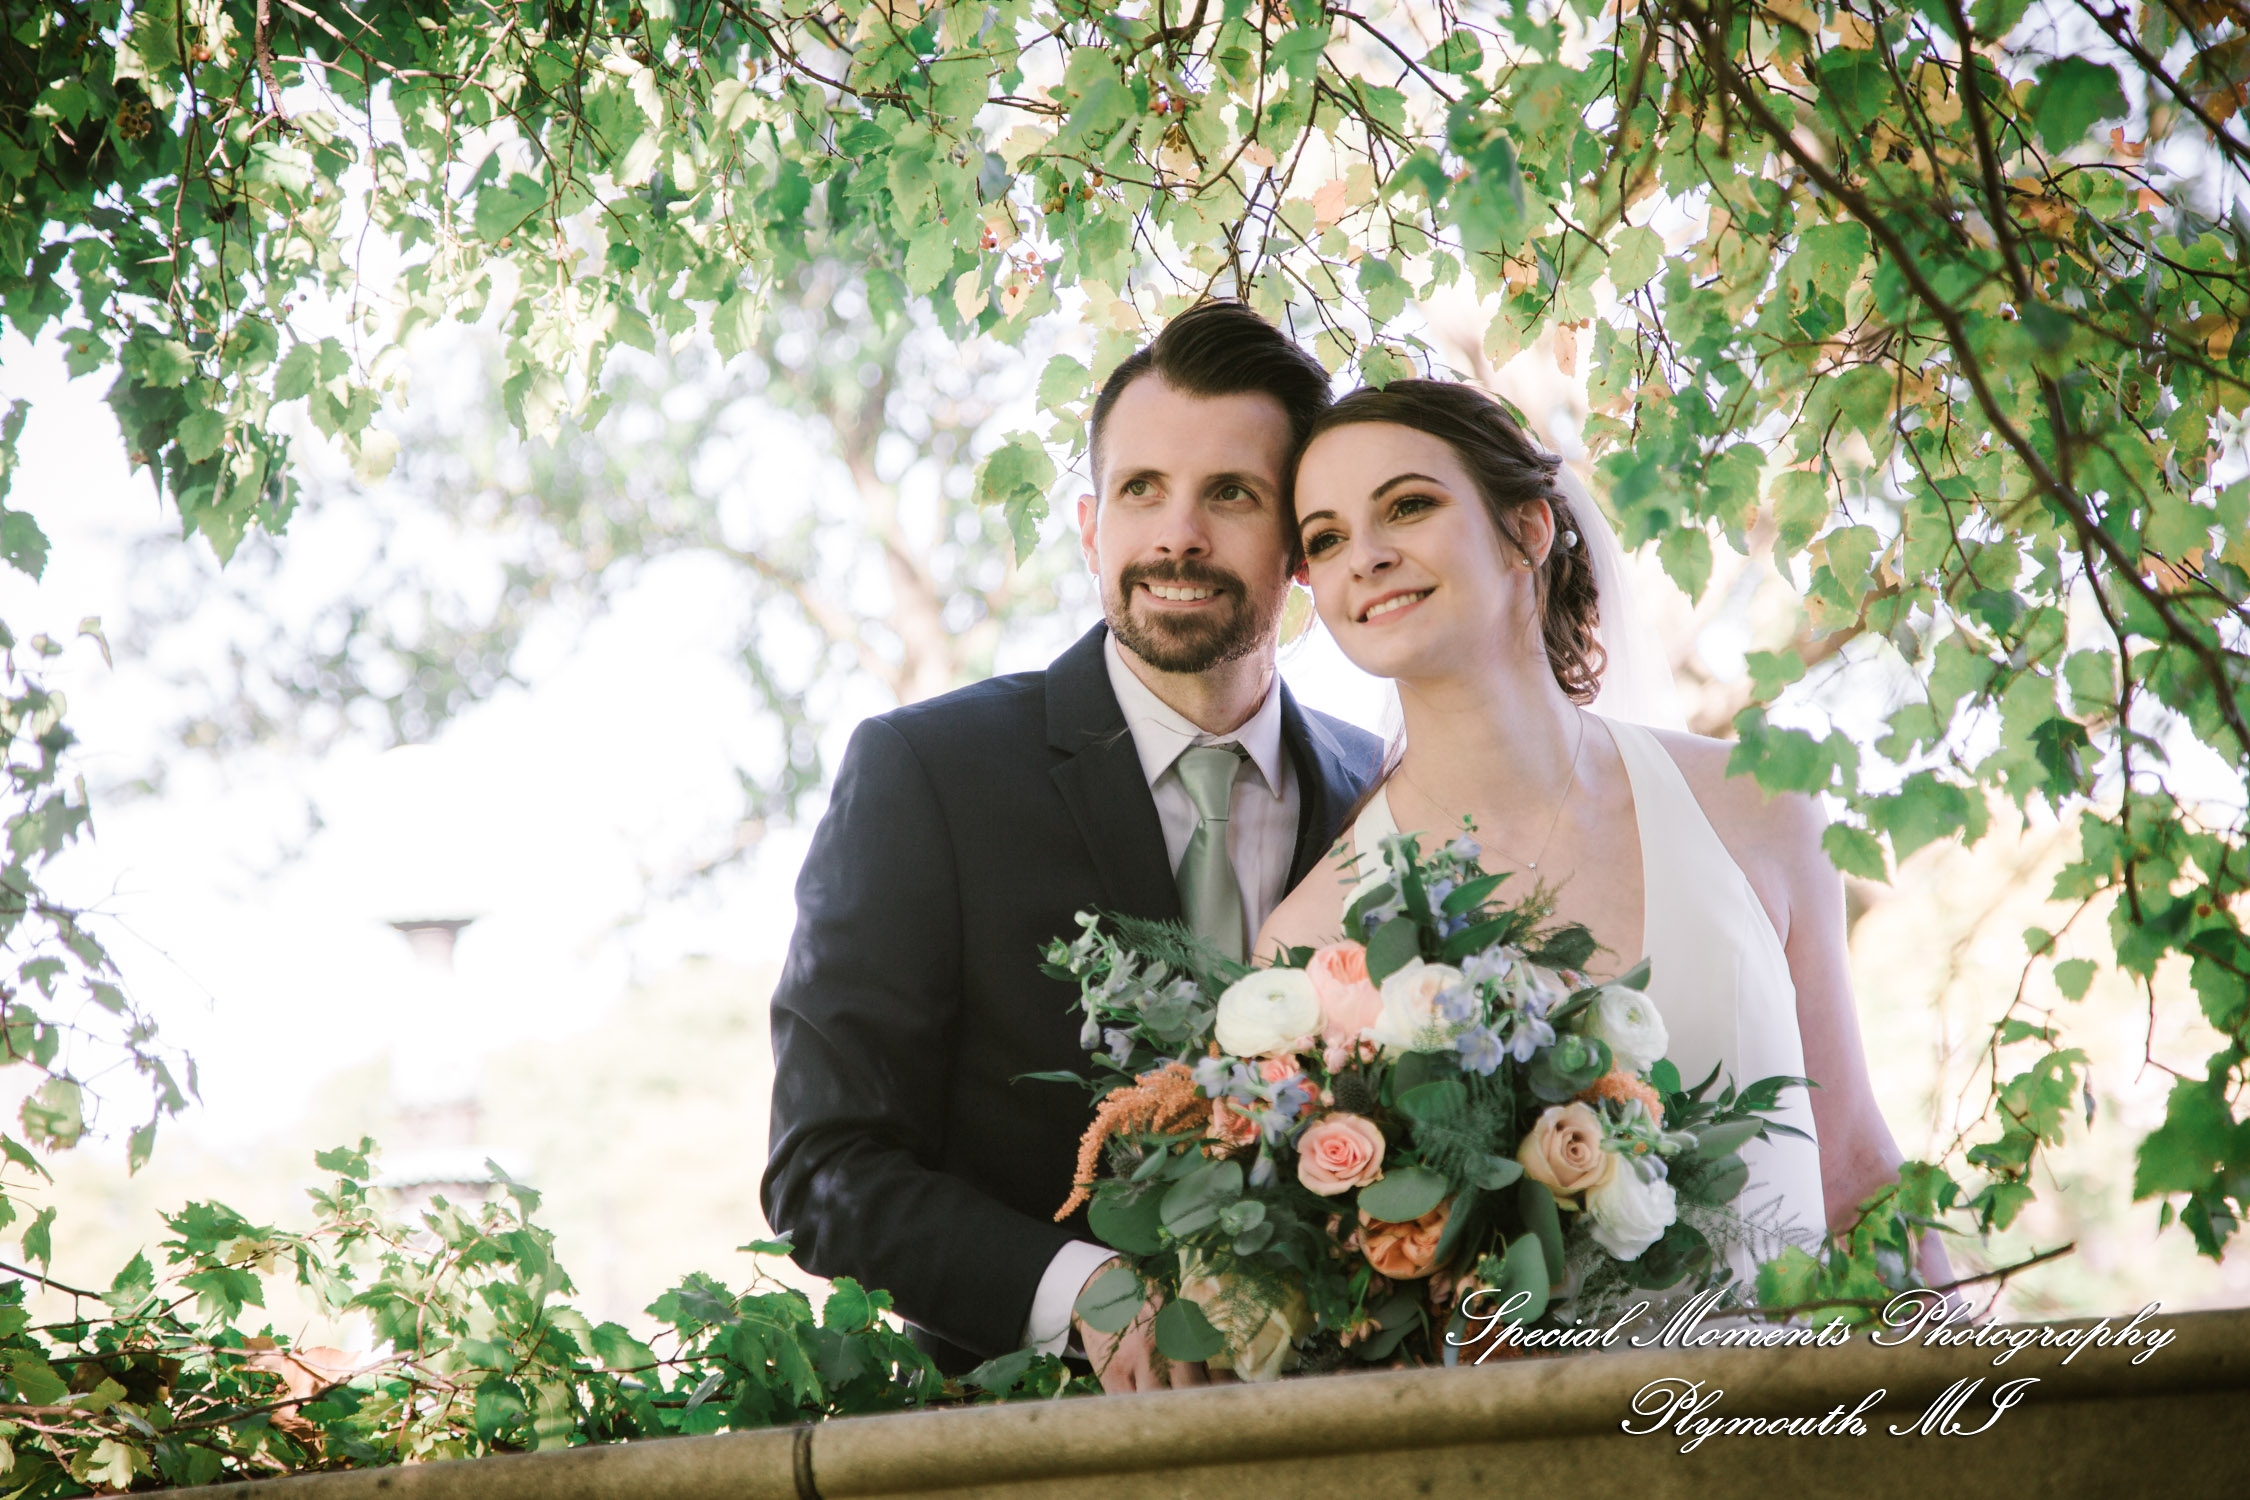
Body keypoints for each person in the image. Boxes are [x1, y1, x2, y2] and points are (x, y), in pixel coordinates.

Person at [762, 302, 1384, 1392]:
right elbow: (826, 1169)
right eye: (1142, 490)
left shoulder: (1385, 793)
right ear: (1093, 525)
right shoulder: (929, 775)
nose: (1177, 534)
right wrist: (1083, 1293)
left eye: (1229, 494)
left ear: (1300, 546)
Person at [1257, 379, 1952, 1287]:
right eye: (1327, 539)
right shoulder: (1312, 942)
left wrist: (1982, 1407)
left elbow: (1855, 1164)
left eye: (1409, 506)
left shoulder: (1757, 810)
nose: (1367, 556)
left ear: (1529, 530)